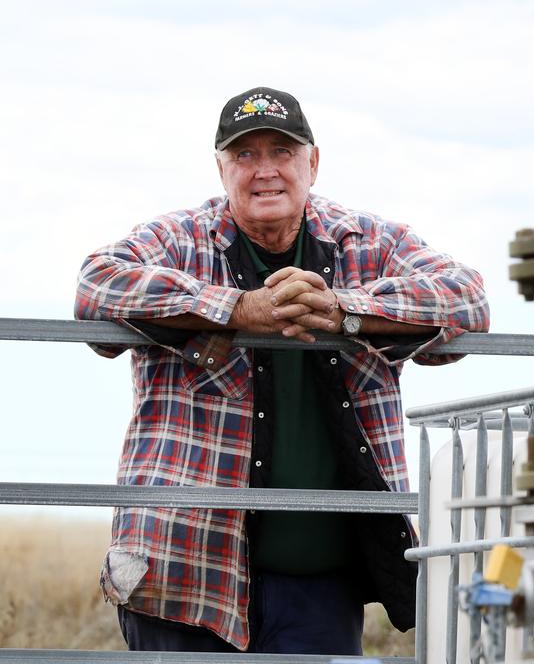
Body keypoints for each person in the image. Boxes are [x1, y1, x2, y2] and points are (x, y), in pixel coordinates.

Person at [74, 86, 490, 654]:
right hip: (183, 568)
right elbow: (97, 282)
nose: (264, 170)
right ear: (220, 169)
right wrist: (237, 310)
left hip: (321, 588)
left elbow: (466, 298)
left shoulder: (364, 243)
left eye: (282, 152)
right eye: (245, 155)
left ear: (312, 163)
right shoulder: (179, 239)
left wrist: (346, 310)